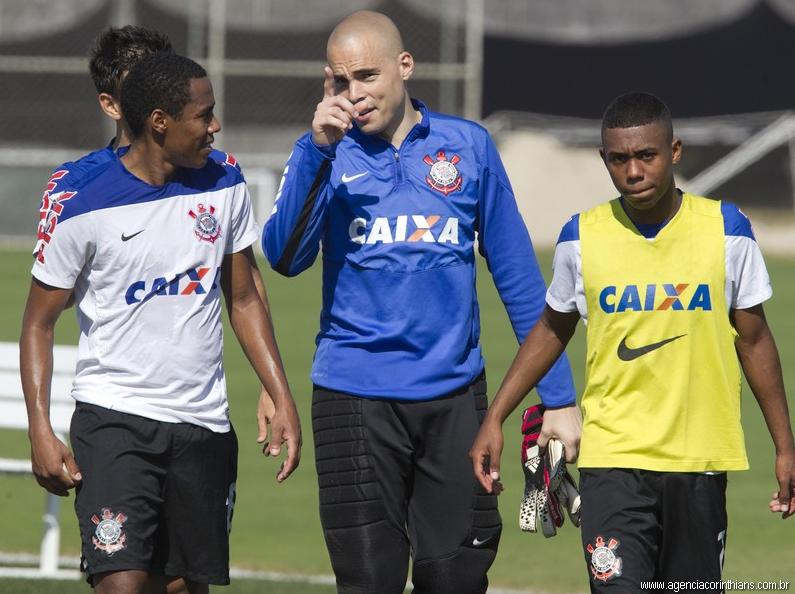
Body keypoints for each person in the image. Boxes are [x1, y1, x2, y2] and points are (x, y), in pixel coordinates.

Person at [262, 10, 576, 594]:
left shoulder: (469, 147)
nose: (352, 95)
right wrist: (318, 150)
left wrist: (558, 398)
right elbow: (284, 257)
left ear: (404, 67)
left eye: (365, 76)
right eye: (338, 81)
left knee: (456, 579)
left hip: (455, 401)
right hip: (353, 398)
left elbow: (520, 278)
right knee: (368, 581)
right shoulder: (325, 153)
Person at [470, 92, 795, 592]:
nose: (634, 171)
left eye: (647, 155)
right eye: (619, 159)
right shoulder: (580, 237)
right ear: (604, 160)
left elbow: (754, 341)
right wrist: (496, 417)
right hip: (612, 463)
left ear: (675, 152)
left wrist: (784, 447)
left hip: (699, 462)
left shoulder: (727, 231)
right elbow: (552, 328)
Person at [21, 52, 302, 594]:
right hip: (114, 420)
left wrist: (279, 392)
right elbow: (38, 323)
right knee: (121, 584)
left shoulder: (225, 181)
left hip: (204, 425)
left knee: (182, 585)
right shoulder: (81, 201)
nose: (215, 126)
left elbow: (243, 298)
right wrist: (40, 427)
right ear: (159, 122)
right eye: (204, 114)